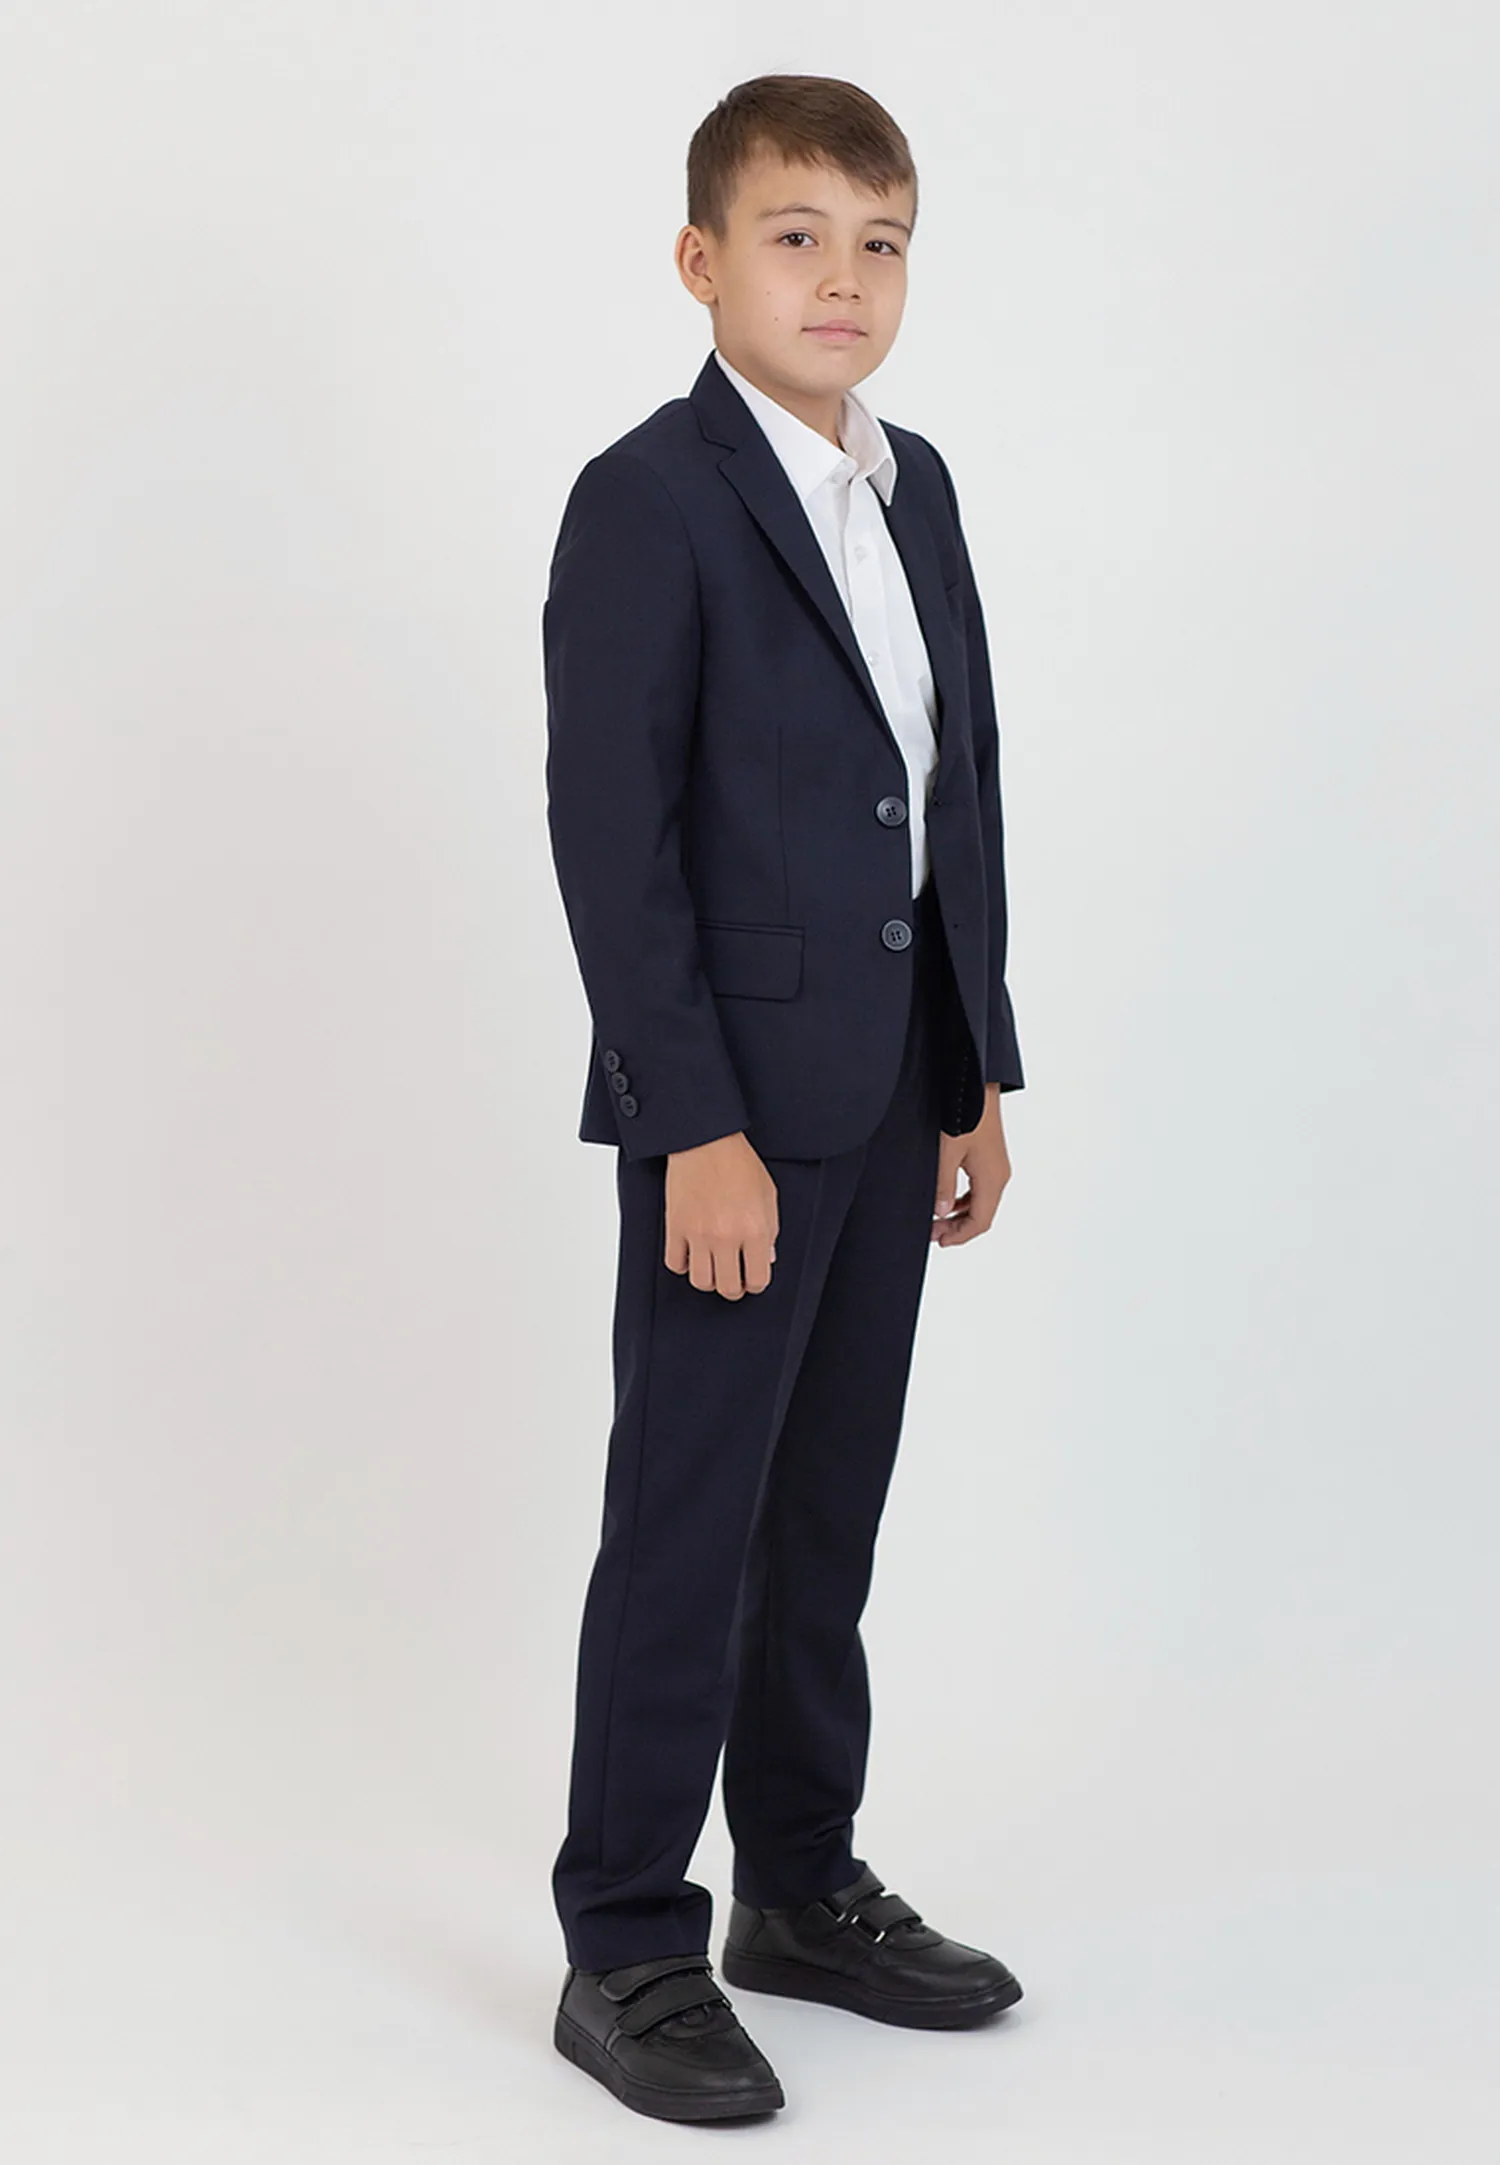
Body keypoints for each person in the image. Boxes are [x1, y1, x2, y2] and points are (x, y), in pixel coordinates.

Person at [541, 73, 1026, 2123]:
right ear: (701, 261)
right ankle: (628, 1936)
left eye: (879, 241)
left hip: (891, 1088)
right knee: (691, 1516)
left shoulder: (916, 488)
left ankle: (801, 1885)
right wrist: (690, 1123)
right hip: (733, 1113)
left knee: (825, 1510)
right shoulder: (648, 500)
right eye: (796, 235)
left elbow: (955, 785)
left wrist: (974, 1069)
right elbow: (612, 837)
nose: (844, 278)